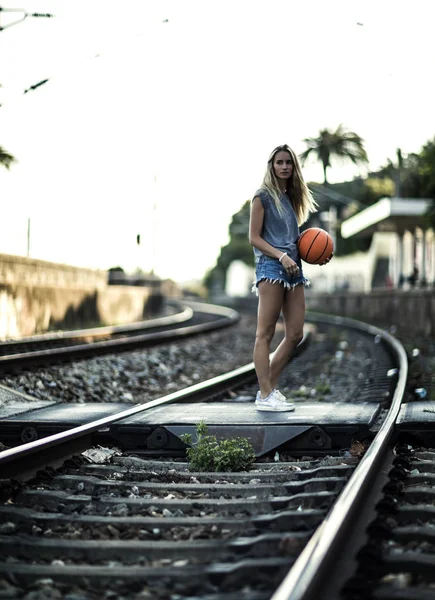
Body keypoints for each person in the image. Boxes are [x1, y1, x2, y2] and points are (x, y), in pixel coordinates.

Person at [249, 144, 328, 412]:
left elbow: (294, 242)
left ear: (294, 167)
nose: (284, 167)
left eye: (288, 163)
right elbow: (254, 238)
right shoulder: (262, 196)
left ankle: (266, 391)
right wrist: (281, 256)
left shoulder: (290, 199)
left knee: (295, 334)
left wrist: (317, 255)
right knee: (265, 334)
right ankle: (266, 393)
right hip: (271, 269)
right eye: (279, 162)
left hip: (294, 271)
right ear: (271, 166)